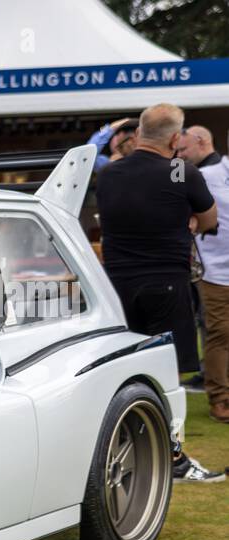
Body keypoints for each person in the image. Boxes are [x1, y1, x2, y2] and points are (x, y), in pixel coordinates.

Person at [95, 102, 224, 482]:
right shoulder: (180, 170)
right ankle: (175, 459)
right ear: (173, 138)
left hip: (116, 286)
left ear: (138, 135)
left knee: (123, 374)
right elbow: (211, 219)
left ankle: (127, 451)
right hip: (166, 283)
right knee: (166, 378)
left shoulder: (111, 172)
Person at [179, 125, 229, 423]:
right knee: (220, 333)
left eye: (185, 149)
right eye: (179, 149)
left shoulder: (214, 169)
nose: (181, 155)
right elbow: (172, 190)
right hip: (216, 270)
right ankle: (220, 399)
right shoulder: (195, 173)